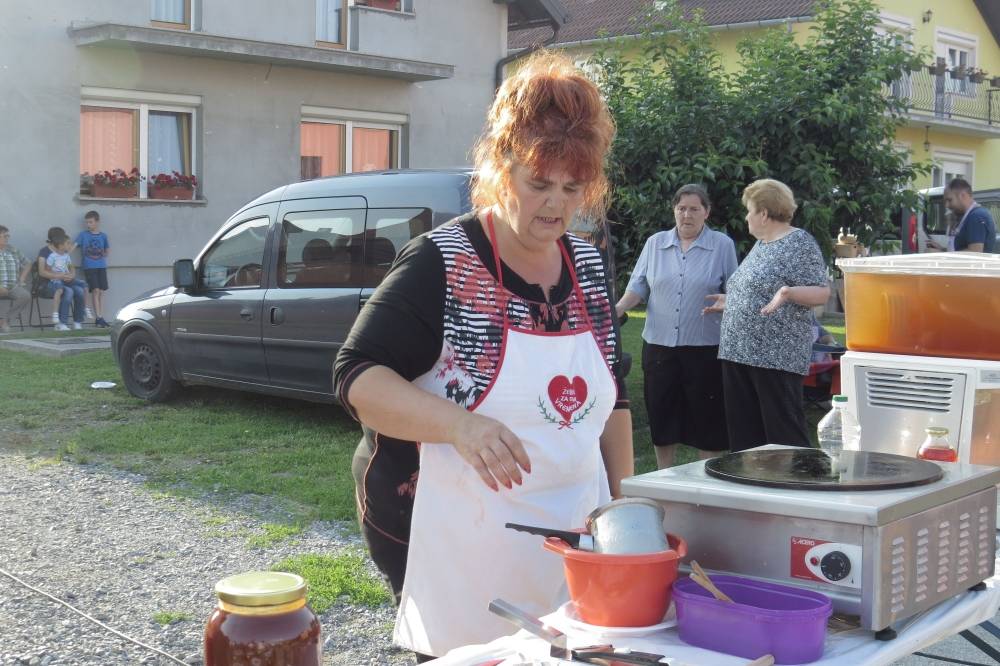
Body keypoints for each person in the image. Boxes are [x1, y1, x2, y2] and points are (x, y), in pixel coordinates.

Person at [333, 52, 632, 660]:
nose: (555, 205)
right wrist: (460, 425)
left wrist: (624, 509)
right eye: (538, 183)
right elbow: (356, 377)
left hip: (572, 524)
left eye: (572, 188)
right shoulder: (442, 260)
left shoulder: (587, 264)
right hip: (451, 527)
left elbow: (613, 396)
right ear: (502, 166)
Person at [615, 184, 737, 468]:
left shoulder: (722, 245)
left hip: (705, 346)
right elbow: (638, 286)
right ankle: (664, 476)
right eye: (681, 208)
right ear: (674, 211)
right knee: (661, 412)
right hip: (659, 346)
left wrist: (729, 302)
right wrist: (617, 309)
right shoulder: (655, 243)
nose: (687, 215)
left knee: (708, 416)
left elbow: (735, 289)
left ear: (706, 212)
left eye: (694, 209)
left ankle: (707, 476)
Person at [704, 179, 830, 452]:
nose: (746, 217)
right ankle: (751, 478)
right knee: (745, 436)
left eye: (749, 211)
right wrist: (733, 302)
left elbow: (821, 293)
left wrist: (789, 292)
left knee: (783, 436)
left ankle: (796, 479)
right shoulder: (762, 244)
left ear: (763, 213)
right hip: (739, 352)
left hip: (775, 356)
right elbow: (759, 290)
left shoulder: (799, 242)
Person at [37, 227, 85, 331]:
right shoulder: (44, 252)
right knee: (68, 291)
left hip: (65, 281)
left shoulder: (63, 251)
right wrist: (60, 276)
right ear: (57, 239)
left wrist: (72, 275)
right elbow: (42, 272)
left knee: (80, 290)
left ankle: (77, 321)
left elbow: (70, 267)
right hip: (47, 285)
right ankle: (61, 323)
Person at [939, 177, 996, 253]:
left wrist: (941, 254)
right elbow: (961, 249)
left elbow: (975, 252)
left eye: (949, 200)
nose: (947, 205)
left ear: (963, 196)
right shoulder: (971, 215)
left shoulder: (976, 216)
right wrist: (941, 249)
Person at [75, 210, 111, 327]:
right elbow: (73, 245)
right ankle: (98, 317)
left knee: (101, 291)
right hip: (89, 267)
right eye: (87, 222)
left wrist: (104, 253)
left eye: (90, 222)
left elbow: (107, 249)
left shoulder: (103, 236)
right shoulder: (83, 235)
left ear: (97, 222)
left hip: (101, 266)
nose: (88, 224)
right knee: (95, 290)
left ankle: (100, 317)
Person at [0, 225, 32, 333]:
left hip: (13, 286)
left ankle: (5, 321)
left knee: (25, 296)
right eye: (5, 236)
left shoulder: (13, 250)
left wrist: (22, 278)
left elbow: (28, 263)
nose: (7, 238)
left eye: (8, 236)